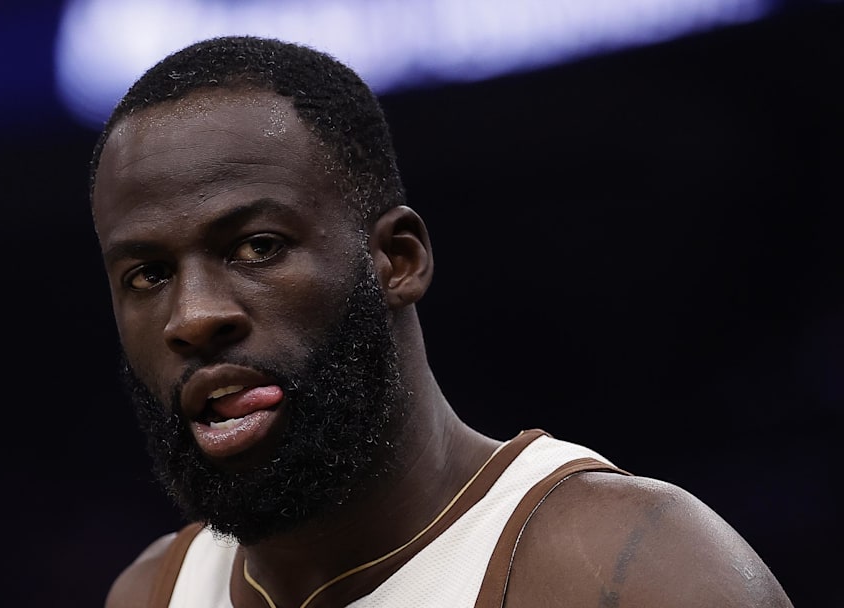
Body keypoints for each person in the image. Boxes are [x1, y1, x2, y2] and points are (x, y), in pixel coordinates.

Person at [88, 35, 793, 608]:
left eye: (258, 247)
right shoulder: (151, 594)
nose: (195, 317)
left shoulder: (632, 572)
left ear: (397, 259)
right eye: (147, 275)